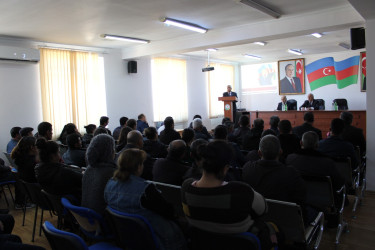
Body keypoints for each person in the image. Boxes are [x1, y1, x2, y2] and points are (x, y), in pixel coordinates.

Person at [181, 140, 272, 249]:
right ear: (225, 168)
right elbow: (263, 209)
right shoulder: (241, 191)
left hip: (201, 243)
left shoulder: (186, 188)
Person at [104, 148, 187, 250]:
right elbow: (168, 211)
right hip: (156, 238)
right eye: (142, 163)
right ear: (138, 167)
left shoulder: (110, 184)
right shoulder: (145, 189)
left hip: (128, 237)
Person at [242, 135, 306, 206]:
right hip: (282, 215)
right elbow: (300, 201)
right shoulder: (291, 174)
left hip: (253, 214)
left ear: (259, 153)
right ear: (280, 152)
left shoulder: (247, 168)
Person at [82, 134, 117, 215]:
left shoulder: (89, 169)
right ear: (109, 151)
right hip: (102, 221)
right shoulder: (112, 173)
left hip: (86, 218)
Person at [11, 136, 38, 209]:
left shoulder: (20, 157)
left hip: (25, 188)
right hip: (33, 188)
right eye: (37, 145)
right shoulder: (33, 161)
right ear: (32, 147)